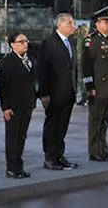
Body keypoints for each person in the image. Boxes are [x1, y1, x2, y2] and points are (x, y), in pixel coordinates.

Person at [37, 13, 79, 171]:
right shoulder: (49, 43)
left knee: (62, 126)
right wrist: (44, 93)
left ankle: (59, 155)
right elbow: (42, 69)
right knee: (52, 126)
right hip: (54, 93)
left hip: (68, 92)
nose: (72, 26)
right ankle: (50, 157)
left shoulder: (70, 43)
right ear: (59, 25)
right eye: (69, 23)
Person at [84, 12, 108, 162]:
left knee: (105, 121)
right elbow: (87, 65)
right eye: (105, 22)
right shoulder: (92, 41)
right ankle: (95, 151)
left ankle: (103, 150)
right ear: (97, 24)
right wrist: (89, 86)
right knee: (96, 121)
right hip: (98, 88)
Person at [0, 32, 36, 179]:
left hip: (27, 105)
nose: (25, 44)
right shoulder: (8, 62)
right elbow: (3, 87)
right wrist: (5, 107)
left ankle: (19, 166)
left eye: (26, 41)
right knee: (13, 137)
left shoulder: (28, 60)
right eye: (21, 42)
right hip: (13, 106)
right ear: (12, 45)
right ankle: (12, 168)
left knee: (21, 136)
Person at [75, 22, 91, 106]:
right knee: (80, 80)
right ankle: (84, 96)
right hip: (79, 61)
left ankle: (86, 97)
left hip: (84, 62)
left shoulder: (86, 39)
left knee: (84, 80)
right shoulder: (79, 38)